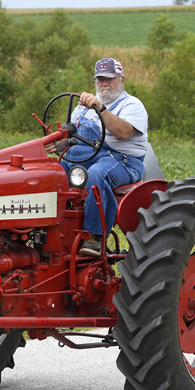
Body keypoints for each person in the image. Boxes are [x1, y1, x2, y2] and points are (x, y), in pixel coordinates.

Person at [45, 57, 149, 256]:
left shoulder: (132, 105)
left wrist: (100, 108)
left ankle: (94, 237)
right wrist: (57, 144)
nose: (105, 84)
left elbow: (122, 133)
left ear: (121, 79)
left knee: (97, 174)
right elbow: (70, 139)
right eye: (100, 79)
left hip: (124, 161)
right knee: (52, 173)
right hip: (86, 158)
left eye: (110, 79)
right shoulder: (82, 108)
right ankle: (51, 232)